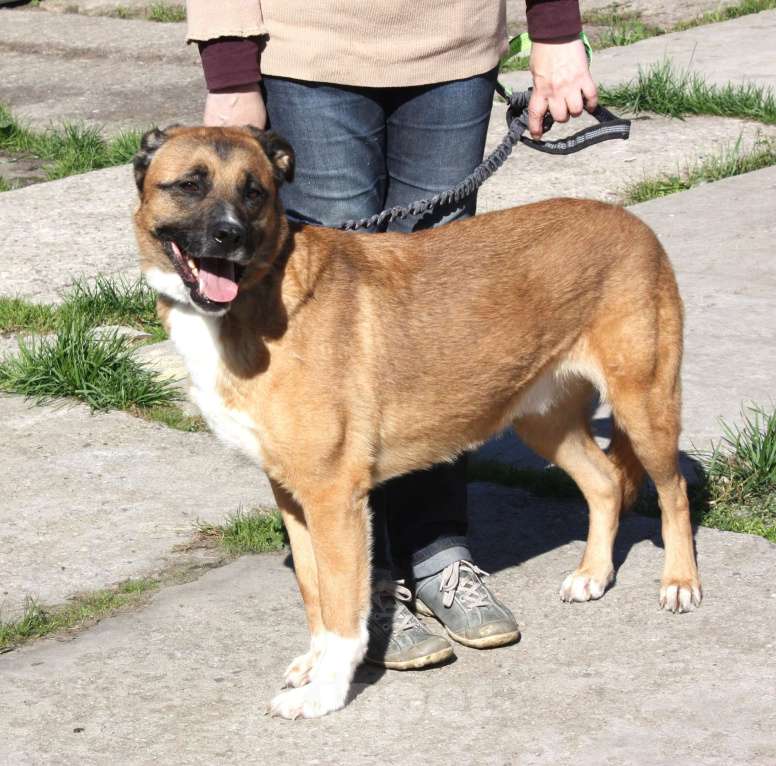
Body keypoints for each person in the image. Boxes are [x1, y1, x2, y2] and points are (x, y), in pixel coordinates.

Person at [185, 0, 597, 669]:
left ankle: (437, 547)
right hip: (310, 46)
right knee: (325, 332)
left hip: (453, 45)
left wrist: (554, 28)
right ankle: (361, 585)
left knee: (443, 319)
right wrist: (230, 67)